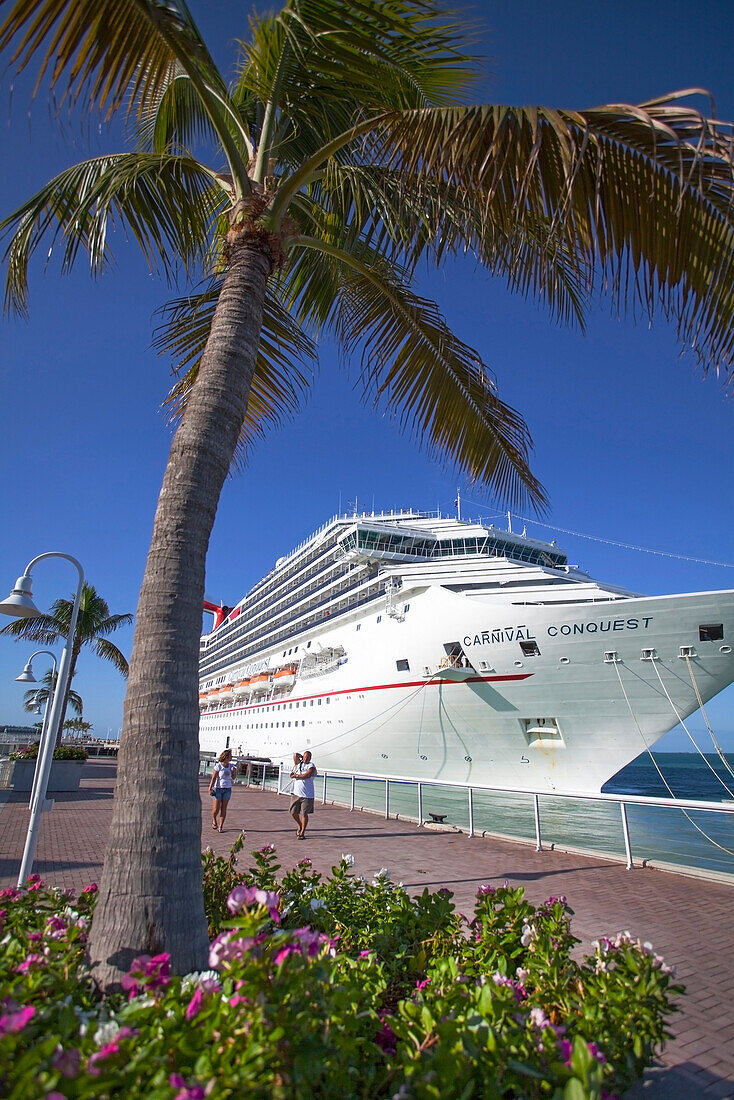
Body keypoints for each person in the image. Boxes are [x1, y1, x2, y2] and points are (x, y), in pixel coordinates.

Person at [289, 749, 317, 839]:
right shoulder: (298, 765)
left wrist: (296, 776)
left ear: (310, 758)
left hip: (307, 795)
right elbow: (295, 754)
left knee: (304, 814)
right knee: (293, 812)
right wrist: (301, 757)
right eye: (305, 757)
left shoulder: (311, 765)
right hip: (296, 793)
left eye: (308, 757)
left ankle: (302, 832)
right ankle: (300, 825)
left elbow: (307, 775)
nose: (306, 759)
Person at [209, 749, 237, 833]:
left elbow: (233, 778)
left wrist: (234, 771)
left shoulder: (231, 766)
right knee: (216, 809)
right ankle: (214, 819)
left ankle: (220, 826)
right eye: (230, 756)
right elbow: (213, 778)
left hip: (227, 789)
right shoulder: (218, 766)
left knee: (224, 808)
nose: (231, 757)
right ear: (226, 757)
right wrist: (210, 788)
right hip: (217, 789)